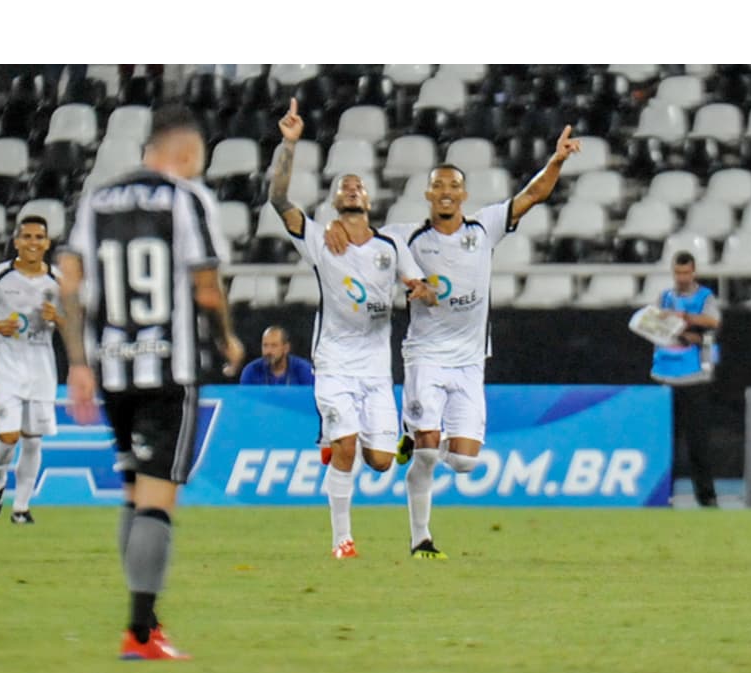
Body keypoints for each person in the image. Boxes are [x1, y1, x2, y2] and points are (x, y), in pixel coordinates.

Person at [326, 127, 581, 559]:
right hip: (425, 356)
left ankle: (418, 440)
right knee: (426, 451)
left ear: (463, 195)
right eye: (438, 185)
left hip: (469, 362)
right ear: (427, 194)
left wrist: (556, 160)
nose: (446, 192)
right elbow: (359, 237)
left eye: (454, 186)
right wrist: (336, 223)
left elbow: (532, 195)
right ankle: (420, 538)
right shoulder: (405, 235)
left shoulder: (485, 229)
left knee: (463, 462)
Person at [58, 104, 244, 661]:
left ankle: (147, 622)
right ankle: (141, 632)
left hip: (113, 368)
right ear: (186, 154)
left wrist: (78, 363)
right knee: (157, 500)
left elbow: (69, 284)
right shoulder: (188, 199)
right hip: (170, 369)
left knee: (135, 493)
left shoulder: (95, 200)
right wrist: (227, 339)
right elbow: (207, 287)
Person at [270, 98, 435, 559]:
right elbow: (278, 200)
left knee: (380, 463)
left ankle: (367, 440)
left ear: (368, 200)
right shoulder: (321, 241)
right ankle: (342, 539)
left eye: (358, 186)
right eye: (344, 186)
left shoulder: (390, 245)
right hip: (335, 363)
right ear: (335, 201)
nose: (351, 189)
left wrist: (420, 292)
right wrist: (288, 145)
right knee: (345, 446)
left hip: (376, 370)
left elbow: (417, 283)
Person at [0, 215, 62, 525]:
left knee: (33, 440)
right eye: (28, 237)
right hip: (6, 369)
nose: (33, 242)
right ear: (17, 241)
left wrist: (58, 318)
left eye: (39, 237)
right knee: (8, 437)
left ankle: (21, 508)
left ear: (47, 243)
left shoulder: (58, 282)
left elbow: (78, 323)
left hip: (41, 371)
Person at [651, 251, 721, 507]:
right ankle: (661, 495)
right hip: (666, 377)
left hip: (694, 378)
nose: (682, 277)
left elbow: (712, 322)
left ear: (693, 272)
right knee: (664, 442)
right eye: (678, 272)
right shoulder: (664, 297)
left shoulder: (705, 297)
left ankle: (707, 497)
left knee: (698, 443)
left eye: (686, 272)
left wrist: (686, 320)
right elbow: (653, 325)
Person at [239, 325, 315, 385]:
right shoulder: (251, 371)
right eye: (265, 345)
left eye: (274, 346)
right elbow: (245, 401)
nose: (268, 351)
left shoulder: (304, 369)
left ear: (286, 348)